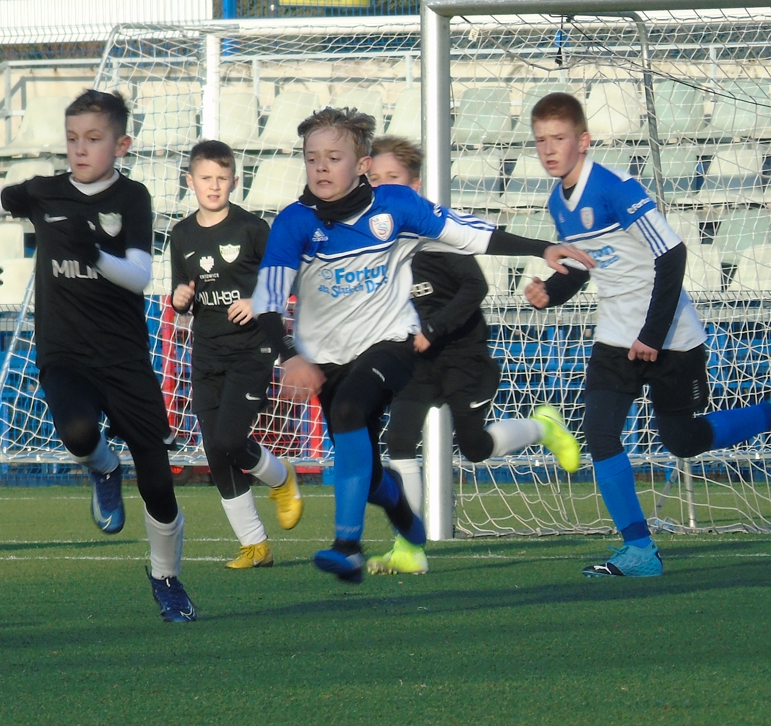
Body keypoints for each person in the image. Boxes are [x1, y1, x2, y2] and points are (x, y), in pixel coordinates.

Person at [251, 107, 594, 583]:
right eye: (312, 158)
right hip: (326, 359)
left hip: (391, 344)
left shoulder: (396, 206)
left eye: (334, 157)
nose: (322, 167)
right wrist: (289, 356)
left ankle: (346, 547)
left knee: (352, 410)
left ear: (363, 164)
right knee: (371, 477)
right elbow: (267, 299)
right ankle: (408, 526)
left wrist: (540, 247)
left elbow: (469, 233)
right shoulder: (292, 223)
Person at [523, 92, 771, 577]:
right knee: (599, 433)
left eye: (559, 139)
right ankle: (640, 550)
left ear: (583, 141)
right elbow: (581, 268)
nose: (549, 149)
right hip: (616, 339)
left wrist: (652, 336)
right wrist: (549, 293)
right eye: (540, 141)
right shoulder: (558, 201)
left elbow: (672, 254)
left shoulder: (616, 187)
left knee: (681, 441)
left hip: (671, 338)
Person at [0, 90, 196, 621]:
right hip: (64, 351)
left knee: (158, 478)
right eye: (72, 139)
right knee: (78, 433)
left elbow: (138, 276)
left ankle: (165, 577)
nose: (80, 150)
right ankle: (103, 469)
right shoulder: (46, 192)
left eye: (93, 139)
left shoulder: (131, 199)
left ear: (122, 144)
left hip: (125, 357)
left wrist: (93, 251)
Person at [365, 136, 582, 576]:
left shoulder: (438, 233)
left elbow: (475, 289)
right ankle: (409, 548)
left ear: (415, 185)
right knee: (399, 441)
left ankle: (543, 427)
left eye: (393, 178)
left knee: (475, 448)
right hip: (416, 362)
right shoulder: (374, 241)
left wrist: (435, 327)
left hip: (463, 356)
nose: (383, 186)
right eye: (374, 179)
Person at [169, 140, 302, 570]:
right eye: (205, 178)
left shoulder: (252, 229)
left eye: (222, 178)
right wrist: (180, 297)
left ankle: (281, 478)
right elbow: (179, 295)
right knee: (214, 451)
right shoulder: (182, 234)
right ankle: (255, 546)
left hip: (252, 350)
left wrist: (256, 298)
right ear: (190, 182)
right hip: (207, 352)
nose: (213, 186)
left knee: (229, 440)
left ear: (235, 181)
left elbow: (281, 280)